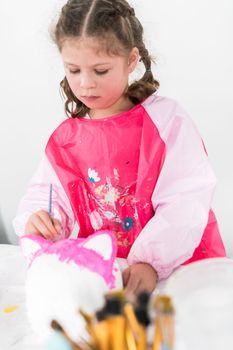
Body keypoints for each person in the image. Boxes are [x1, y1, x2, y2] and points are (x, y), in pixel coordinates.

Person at [13, 0, 226, 296]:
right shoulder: (67, 139)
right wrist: (40, 220)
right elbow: (47, 195)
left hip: (182, 272)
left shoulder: (165, 122)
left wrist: (150, 262)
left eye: (100, 70)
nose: (85, 84)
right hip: (114, 274)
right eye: (73, 70)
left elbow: (185, 200)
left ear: (131, 60)